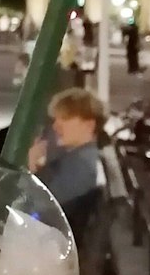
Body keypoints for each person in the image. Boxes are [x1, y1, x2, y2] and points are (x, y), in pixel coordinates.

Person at [29, 88, 106, 236]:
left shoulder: (81, 165)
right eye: (56, 119)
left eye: (64, 118)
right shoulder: (75, 156)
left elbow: (40, 210)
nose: (56, 126)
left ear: (89, 125)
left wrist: (30, 166)